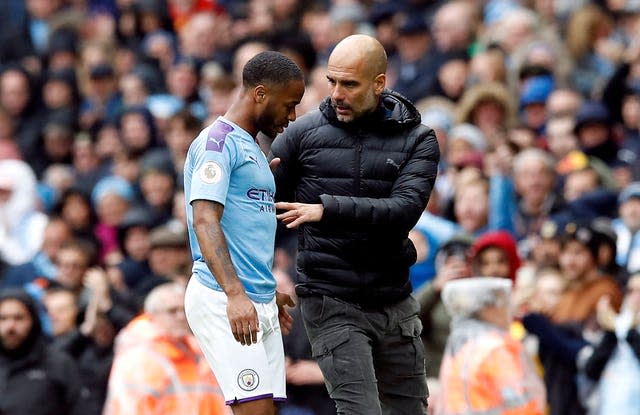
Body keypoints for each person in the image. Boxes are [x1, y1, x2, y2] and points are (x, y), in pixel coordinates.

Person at [271, 34, 439, 414]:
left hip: (394, 300)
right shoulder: (301, 135)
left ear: (380, 83)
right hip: (330, 299)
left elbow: (402, 212)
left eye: (349, 84)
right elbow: (256, 208)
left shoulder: (418, 139)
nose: (336, 94)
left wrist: (325, 209)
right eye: (332, 81)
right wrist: (259, 287)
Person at [183, 51, 304, 415]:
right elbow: (204, 220)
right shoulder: (216, 144)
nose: (293, 116)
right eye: (289, 105)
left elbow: (245, 226)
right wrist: (236, 294)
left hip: (254, 297)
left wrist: (267, 294)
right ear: (260, 94)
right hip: (223, 296)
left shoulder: (251, 148)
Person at [103, 283, 227, 415]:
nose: (181, 317)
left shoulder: (200, 354)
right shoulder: (139, 359)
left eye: (183, 310)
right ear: (152, 316)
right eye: (172, 311)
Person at [435, 277, 546, 415]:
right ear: (487, 309)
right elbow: (519, 401)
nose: (509, 309)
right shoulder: (496, 349)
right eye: (503, 303)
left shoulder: (462, 347)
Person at [0, 288, 89, 415]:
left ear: (33, 321)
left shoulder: (59, 364)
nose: (10, 326)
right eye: (3, 318)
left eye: (18, 318)